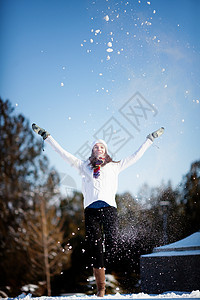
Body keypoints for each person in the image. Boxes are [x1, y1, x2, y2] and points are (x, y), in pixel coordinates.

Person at [32, 123, 164, 297]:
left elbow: (135, 156)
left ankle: (108, 267)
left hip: (109, 209)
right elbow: (63, 153)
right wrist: (47, 137)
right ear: (92, 151)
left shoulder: (114, 166)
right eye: (96, 146)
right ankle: (100, 289)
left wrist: (149, 139)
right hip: (91, 211)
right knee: (95, 247)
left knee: (113, 242)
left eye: (101, 146)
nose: (98, 148)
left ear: (105, 151)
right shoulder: (83, 166)